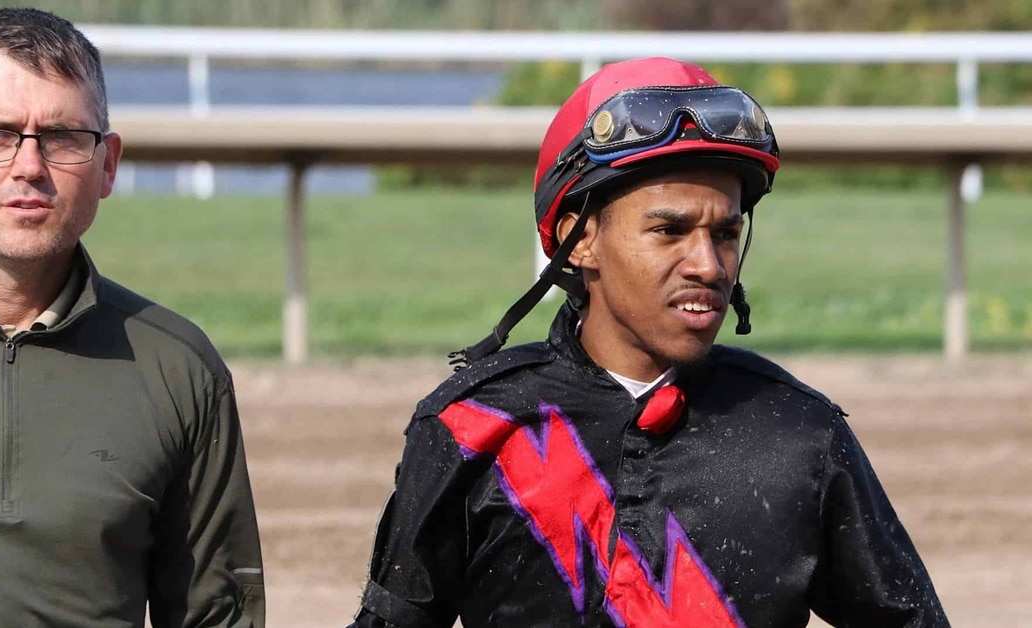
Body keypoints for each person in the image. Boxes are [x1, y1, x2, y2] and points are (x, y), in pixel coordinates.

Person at [351, 57, 946, 627]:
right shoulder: (469, 425)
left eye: (725, 233)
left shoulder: (802, 435)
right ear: (577, 239)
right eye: (669, 230)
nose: (708, 266)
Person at [0, 8, 264, 627]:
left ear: (108, 164)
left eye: (62, 137)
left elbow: (215, 615)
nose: (29, 166)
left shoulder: (178, 368)